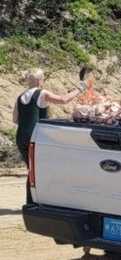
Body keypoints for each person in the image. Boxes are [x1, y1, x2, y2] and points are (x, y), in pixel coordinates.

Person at [13, 68, 87, 204]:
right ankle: (36, 202)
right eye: (43, 79)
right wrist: (80, 89)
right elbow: (63, 100)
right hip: (35, 136)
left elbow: (15, 119)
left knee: (32, 170)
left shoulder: (21, 96)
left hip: (21, 136)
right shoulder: (42, 93)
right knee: (42, 170)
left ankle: (32, 201)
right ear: (38, 80)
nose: (43, 82)